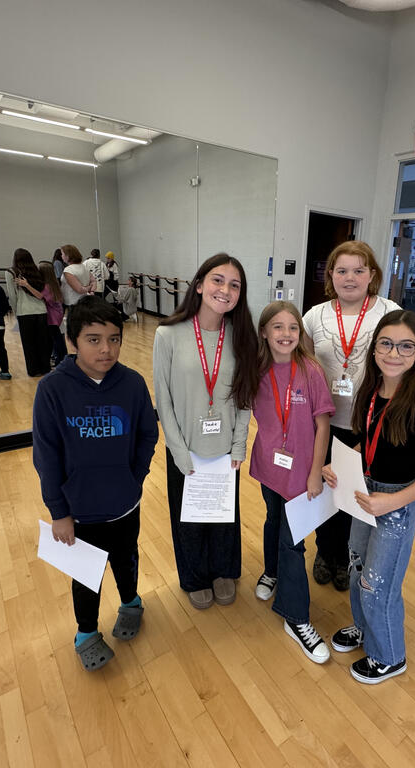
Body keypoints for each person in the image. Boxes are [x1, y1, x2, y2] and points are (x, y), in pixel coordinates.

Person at [322, 310, 415, 685]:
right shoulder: (369, 392)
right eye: (387, 344)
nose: (394, 353)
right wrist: (340, 466)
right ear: (375, 348)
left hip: (397, 503)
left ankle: (390, 656)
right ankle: (365, 629)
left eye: (406, 346)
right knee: (358, 567)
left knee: (379, 583)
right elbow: (369, 443)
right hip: (364, 491)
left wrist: (393, 502)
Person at [32, 297, 158, 671]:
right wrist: (59, 512)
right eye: (93, 339)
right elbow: (46, 456)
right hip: (79, 511)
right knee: (86, 575)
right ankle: (86, 632)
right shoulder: (52, 389)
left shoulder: (132, 384)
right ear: (71, 341)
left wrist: (134, 478)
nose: (106, 349)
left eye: (114, 339)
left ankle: (131, 602)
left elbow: (147, 435)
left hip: (124, 504)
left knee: (126, 558)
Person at [152, 253, 257, 610]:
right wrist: (178, 451)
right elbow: (163, 399)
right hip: (186, 447)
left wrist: (239, 445)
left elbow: (245, 395)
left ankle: (224, 570)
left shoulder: (242, 336)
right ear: (199, 285)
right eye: (217, 280)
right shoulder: (168, 334)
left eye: (234, 285)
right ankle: (195, 576)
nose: (225, 290)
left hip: (225, 447)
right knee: (190, 519)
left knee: (224, 516)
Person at [303, 240, 400, 591]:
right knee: (326, 492)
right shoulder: (315, 316)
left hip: (369, 425)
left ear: (372, 274)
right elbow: (304, 367)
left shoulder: (389, 312)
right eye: (342, 270)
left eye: (359, 270)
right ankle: (324, 551)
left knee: (354, 496)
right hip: (324, 424)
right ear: (331, 275)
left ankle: (347, 557)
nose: (350, 278)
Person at [250, 301, 334, 663]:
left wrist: (315, 471)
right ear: (264, 332)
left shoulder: (311, 371)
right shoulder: (256, 370)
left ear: (300, 333)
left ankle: (296, 617)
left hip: (302, 473)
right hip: (269, 467)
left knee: (293, 541)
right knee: (273, 521)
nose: (286, 334)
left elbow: (322, 426)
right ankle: (271, 571)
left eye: (293, 328)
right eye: (278, 327)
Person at [5, 248, 52, 377]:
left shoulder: (11, 272)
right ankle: (45, 368)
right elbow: (42, 294)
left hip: (24, 311)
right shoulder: (37, 271)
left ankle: (33, 370)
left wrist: (15, 312)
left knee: (28, 344)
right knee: (43, 342)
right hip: (41, 311)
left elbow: (12, 296)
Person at [36, 260, 68, 366]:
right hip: (57, 316)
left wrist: (27, 285)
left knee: (55, 340)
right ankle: (61, 359)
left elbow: (40, 296)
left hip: (52, 318)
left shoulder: (46, 287)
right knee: (57, 339)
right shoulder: (54, 285)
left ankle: (60, 360)